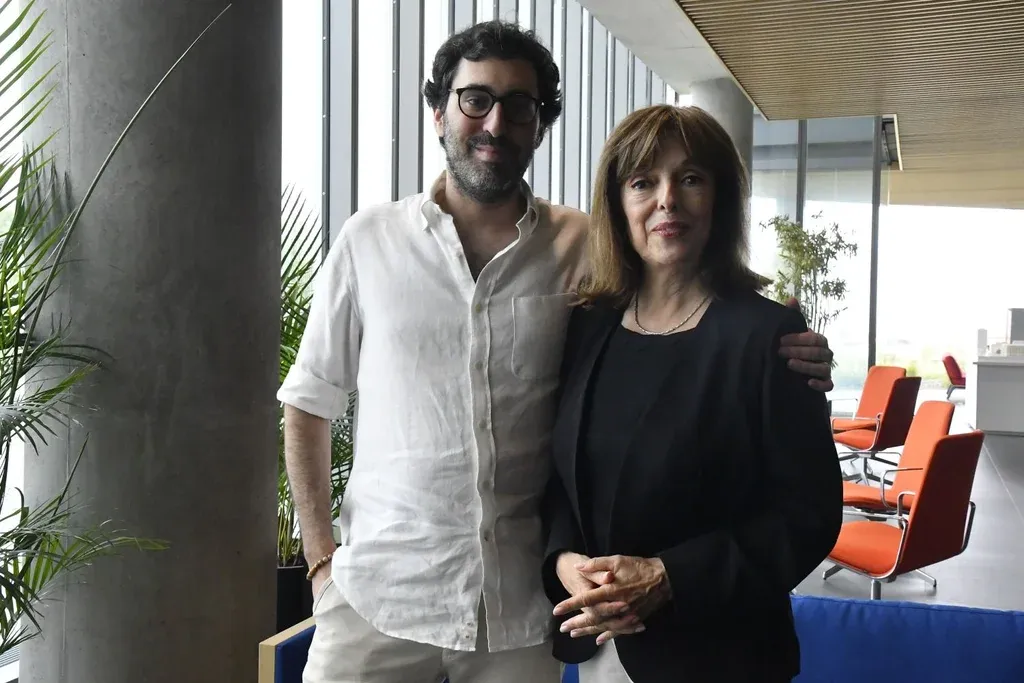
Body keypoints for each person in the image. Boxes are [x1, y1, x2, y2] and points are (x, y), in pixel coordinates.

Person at [277, 20, 835, 683]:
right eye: (476, 99)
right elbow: (308, 402)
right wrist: (321, 564)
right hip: (378, 596)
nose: (495, 122)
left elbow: (687, 307)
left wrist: (788, 344)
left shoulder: (582, 252)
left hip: (520, 616)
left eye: (520, 105)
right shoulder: (369, 242)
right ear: (438, 112)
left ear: (539, 127)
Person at [541, 104, 844, 683]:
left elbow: (807, 515)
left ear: (719, 199)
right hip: (600, 645)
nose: (667, 200)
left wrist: (669, 576)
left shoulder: (768, 337)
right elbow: (562, 476)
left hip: (720, 654)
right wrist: (563, 560)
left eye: (690, 178)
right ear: (618, 204)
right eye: (642, 182)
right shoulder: (588, 324)